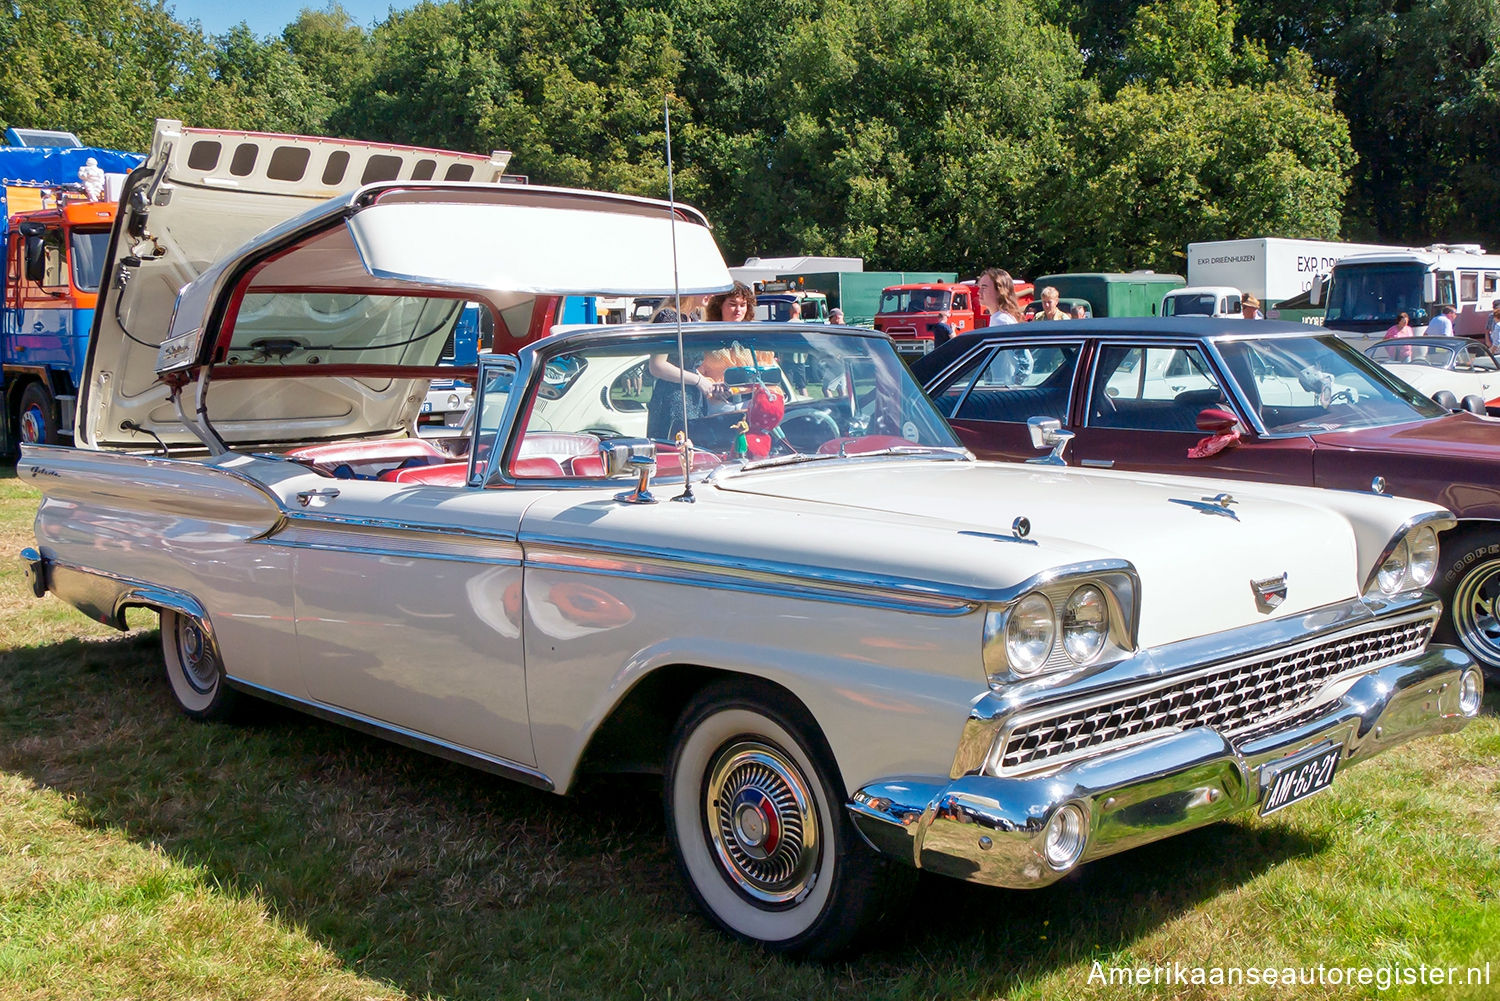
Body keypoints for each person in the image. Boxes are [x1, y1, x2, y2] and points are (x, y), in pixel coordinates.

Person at [975, 267, 1031, 383]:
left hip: (1004, 394)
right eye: (979, 287)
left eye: (984, 288)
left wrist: (1013, 389)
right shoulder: (997, 318)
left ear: (1000, 291)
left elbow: (1025, 363)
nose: (979, 292)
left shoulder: (1002, 321)